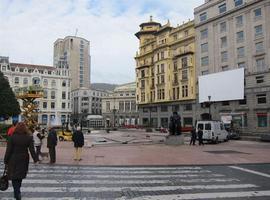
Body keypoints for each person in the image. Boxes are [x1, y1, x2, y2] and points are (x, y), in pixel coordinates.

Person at [4, 122, 38, 200]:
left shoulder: (12, 137)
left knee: (14, 176)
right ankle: (17, 191)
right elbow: (32, 150)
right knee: (20, 176)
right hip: (24, 159)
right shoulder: (28, 137)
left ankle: (17, 192)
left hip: (13, 159)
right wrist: (35, 159)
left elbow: (8, 150)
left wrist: (6, 160)